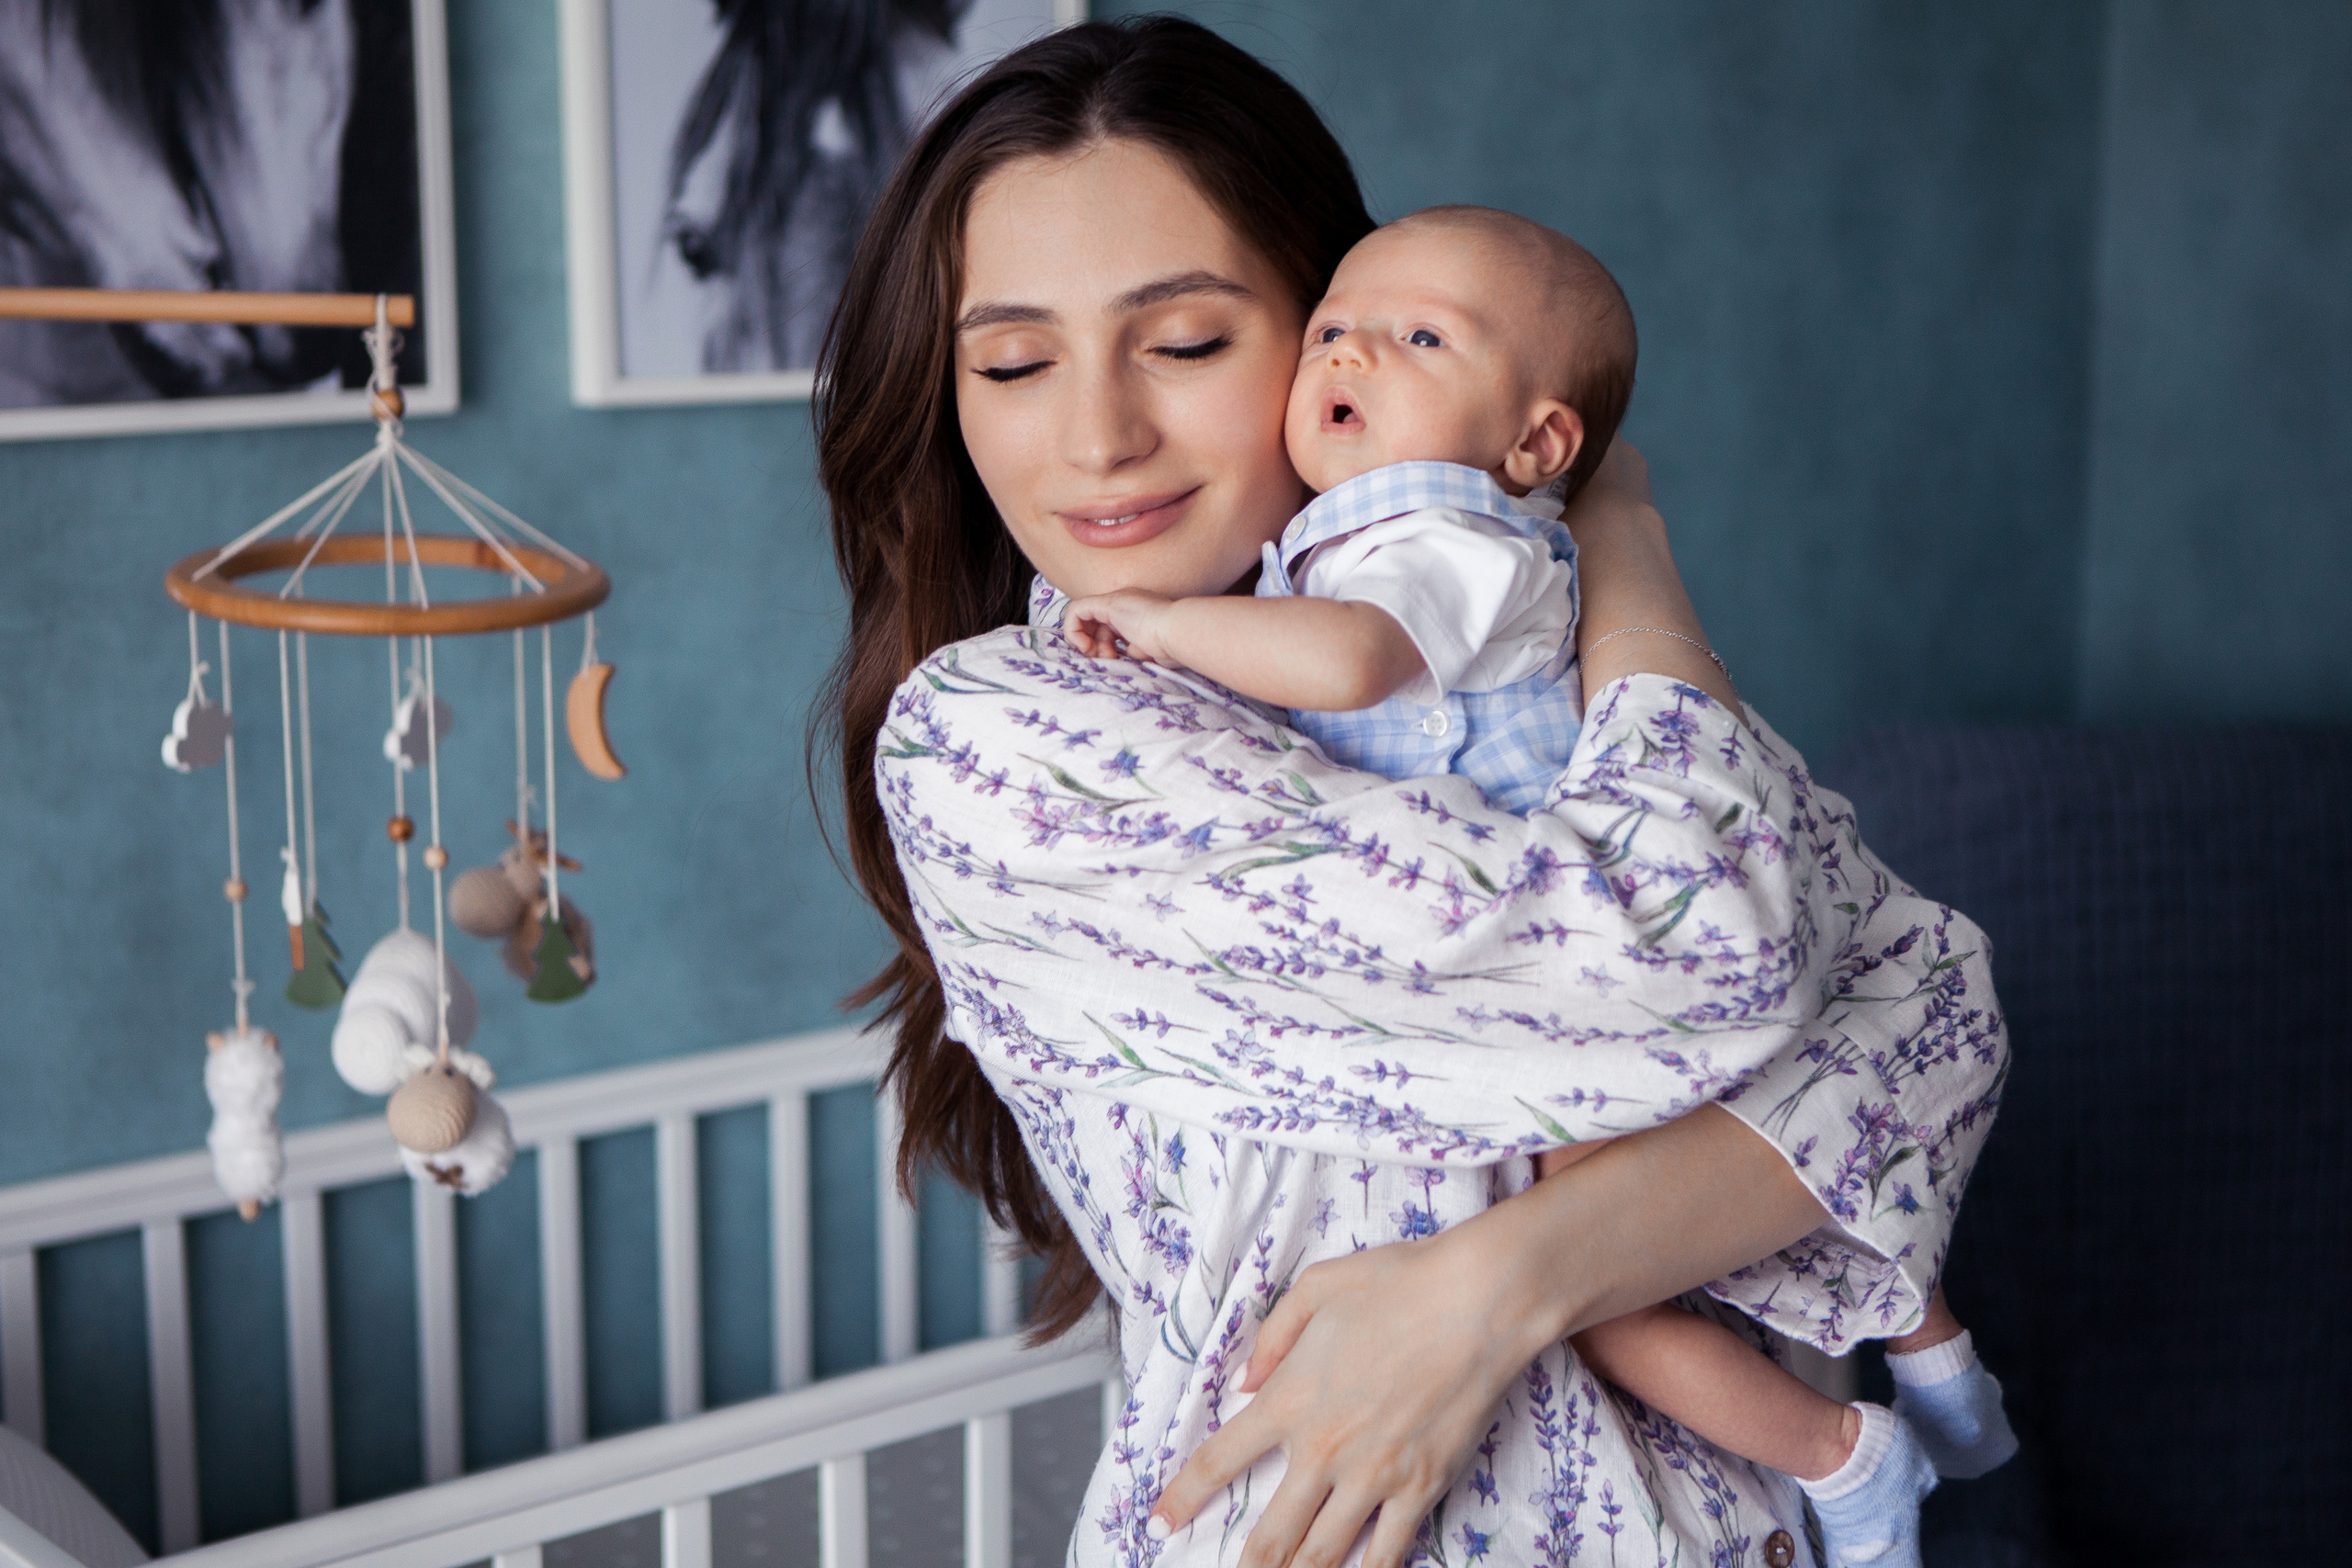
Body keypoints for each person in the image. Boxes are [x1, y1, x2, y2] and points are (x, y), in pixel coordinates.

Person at [813, 17, 2009, 1568]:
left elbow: (1942, 1012)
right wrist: (1631, 545)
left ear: (1336, 332)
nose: (1098, 436)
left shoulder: (1520, 661)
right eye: (1015, 363)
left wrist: (1493, 1292)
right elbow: (1715, 952)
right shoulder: (999, 747)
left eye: (1183, 343)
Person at [1053, 201, 2018, 1562]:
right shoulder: (1353, 539)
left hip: (1598, 957)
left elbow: (1345, 668)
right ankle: (1929, 1355)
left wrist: (1159, 627)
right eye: (1332, 330)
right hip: (1580, 965)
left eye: (1418, 336)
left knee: (1617, 1291)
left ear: (1537, 444)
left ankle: (1845, 1452)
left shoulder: (1444, 530)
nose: (1352, 357)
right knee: (1728, 1198)